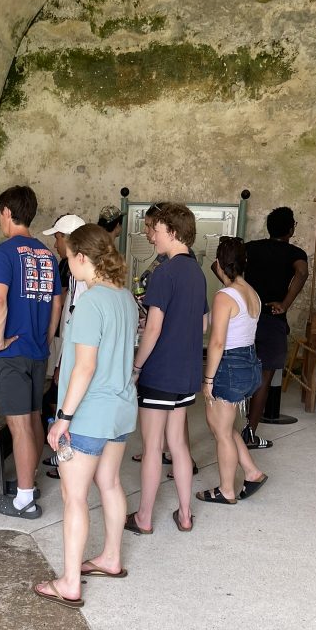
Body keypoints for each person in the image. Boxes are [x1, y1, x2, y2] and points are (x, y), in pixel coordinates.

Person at [33, 224, 138, 608]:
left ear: (81, 257)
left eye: (69, 257)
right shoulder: (125, 297)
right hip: (121, 408)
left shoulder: (92, 301)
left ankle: (70, 582)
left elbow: (84, 366)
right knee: (109, 483)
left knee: (73, 495)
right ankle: (111, 558)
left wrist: (63, 417)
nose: (68, 264)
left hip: (90, 412)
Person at [125, 203, 206, 536]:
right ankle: (185, 514)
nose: (152, 236)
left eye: (155, 230)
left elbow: (154, 328)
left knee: (153, 446)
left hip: (160, 371)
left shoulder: (164, 273)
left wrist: (137, 366)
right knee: (179, 445)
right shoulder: (197, 272)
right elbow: (203, 324)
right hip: (186, 370)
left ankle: (144, 517)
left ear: (171, 232)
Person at [0, 185, 63, 518]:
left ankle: (25, 500)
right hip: (37, 351)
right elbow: (57, 303)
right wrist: (46, 337)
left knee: (18, 427)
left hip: (12, 353)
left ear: (6, 212)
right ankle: (27, 482)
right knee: (32, 418)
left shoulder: (3, 253)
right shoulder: (47, 255)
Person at [198, 238, 268, 504]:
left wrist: (208, 379)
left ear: (218, 263)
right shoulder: (252, 292)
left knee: (221, 431)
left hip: (229, 364)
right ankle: (252, 472)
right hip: (249, 362)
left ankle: (226, 490)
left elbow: (217, 342)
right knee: (223, 427)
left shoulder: (224, 296)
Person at [241, 206, 309, 449]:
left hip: (247, 317)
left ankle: (226, 430)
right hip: (272, 320)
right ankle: (249, 433)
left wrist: (241, 293)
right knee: (264, 378)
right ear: (291, 229)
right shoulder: (295, 253)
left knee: (238, 371)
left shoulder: (250, 248)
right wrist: (285, 304)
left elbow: (221, 264)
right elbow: (302, 272)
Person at [41, 214, 88, 477]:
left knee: (67, 406)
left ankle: (68, 459)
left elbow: (77, 324)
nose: (56, 244)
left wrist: (62, 361)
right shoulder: (71, 271)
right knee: (59, 401)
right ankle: (64, 455)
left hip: (77, 355)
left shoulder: (82, 277)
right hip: (69, 353)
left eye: (58, 238)